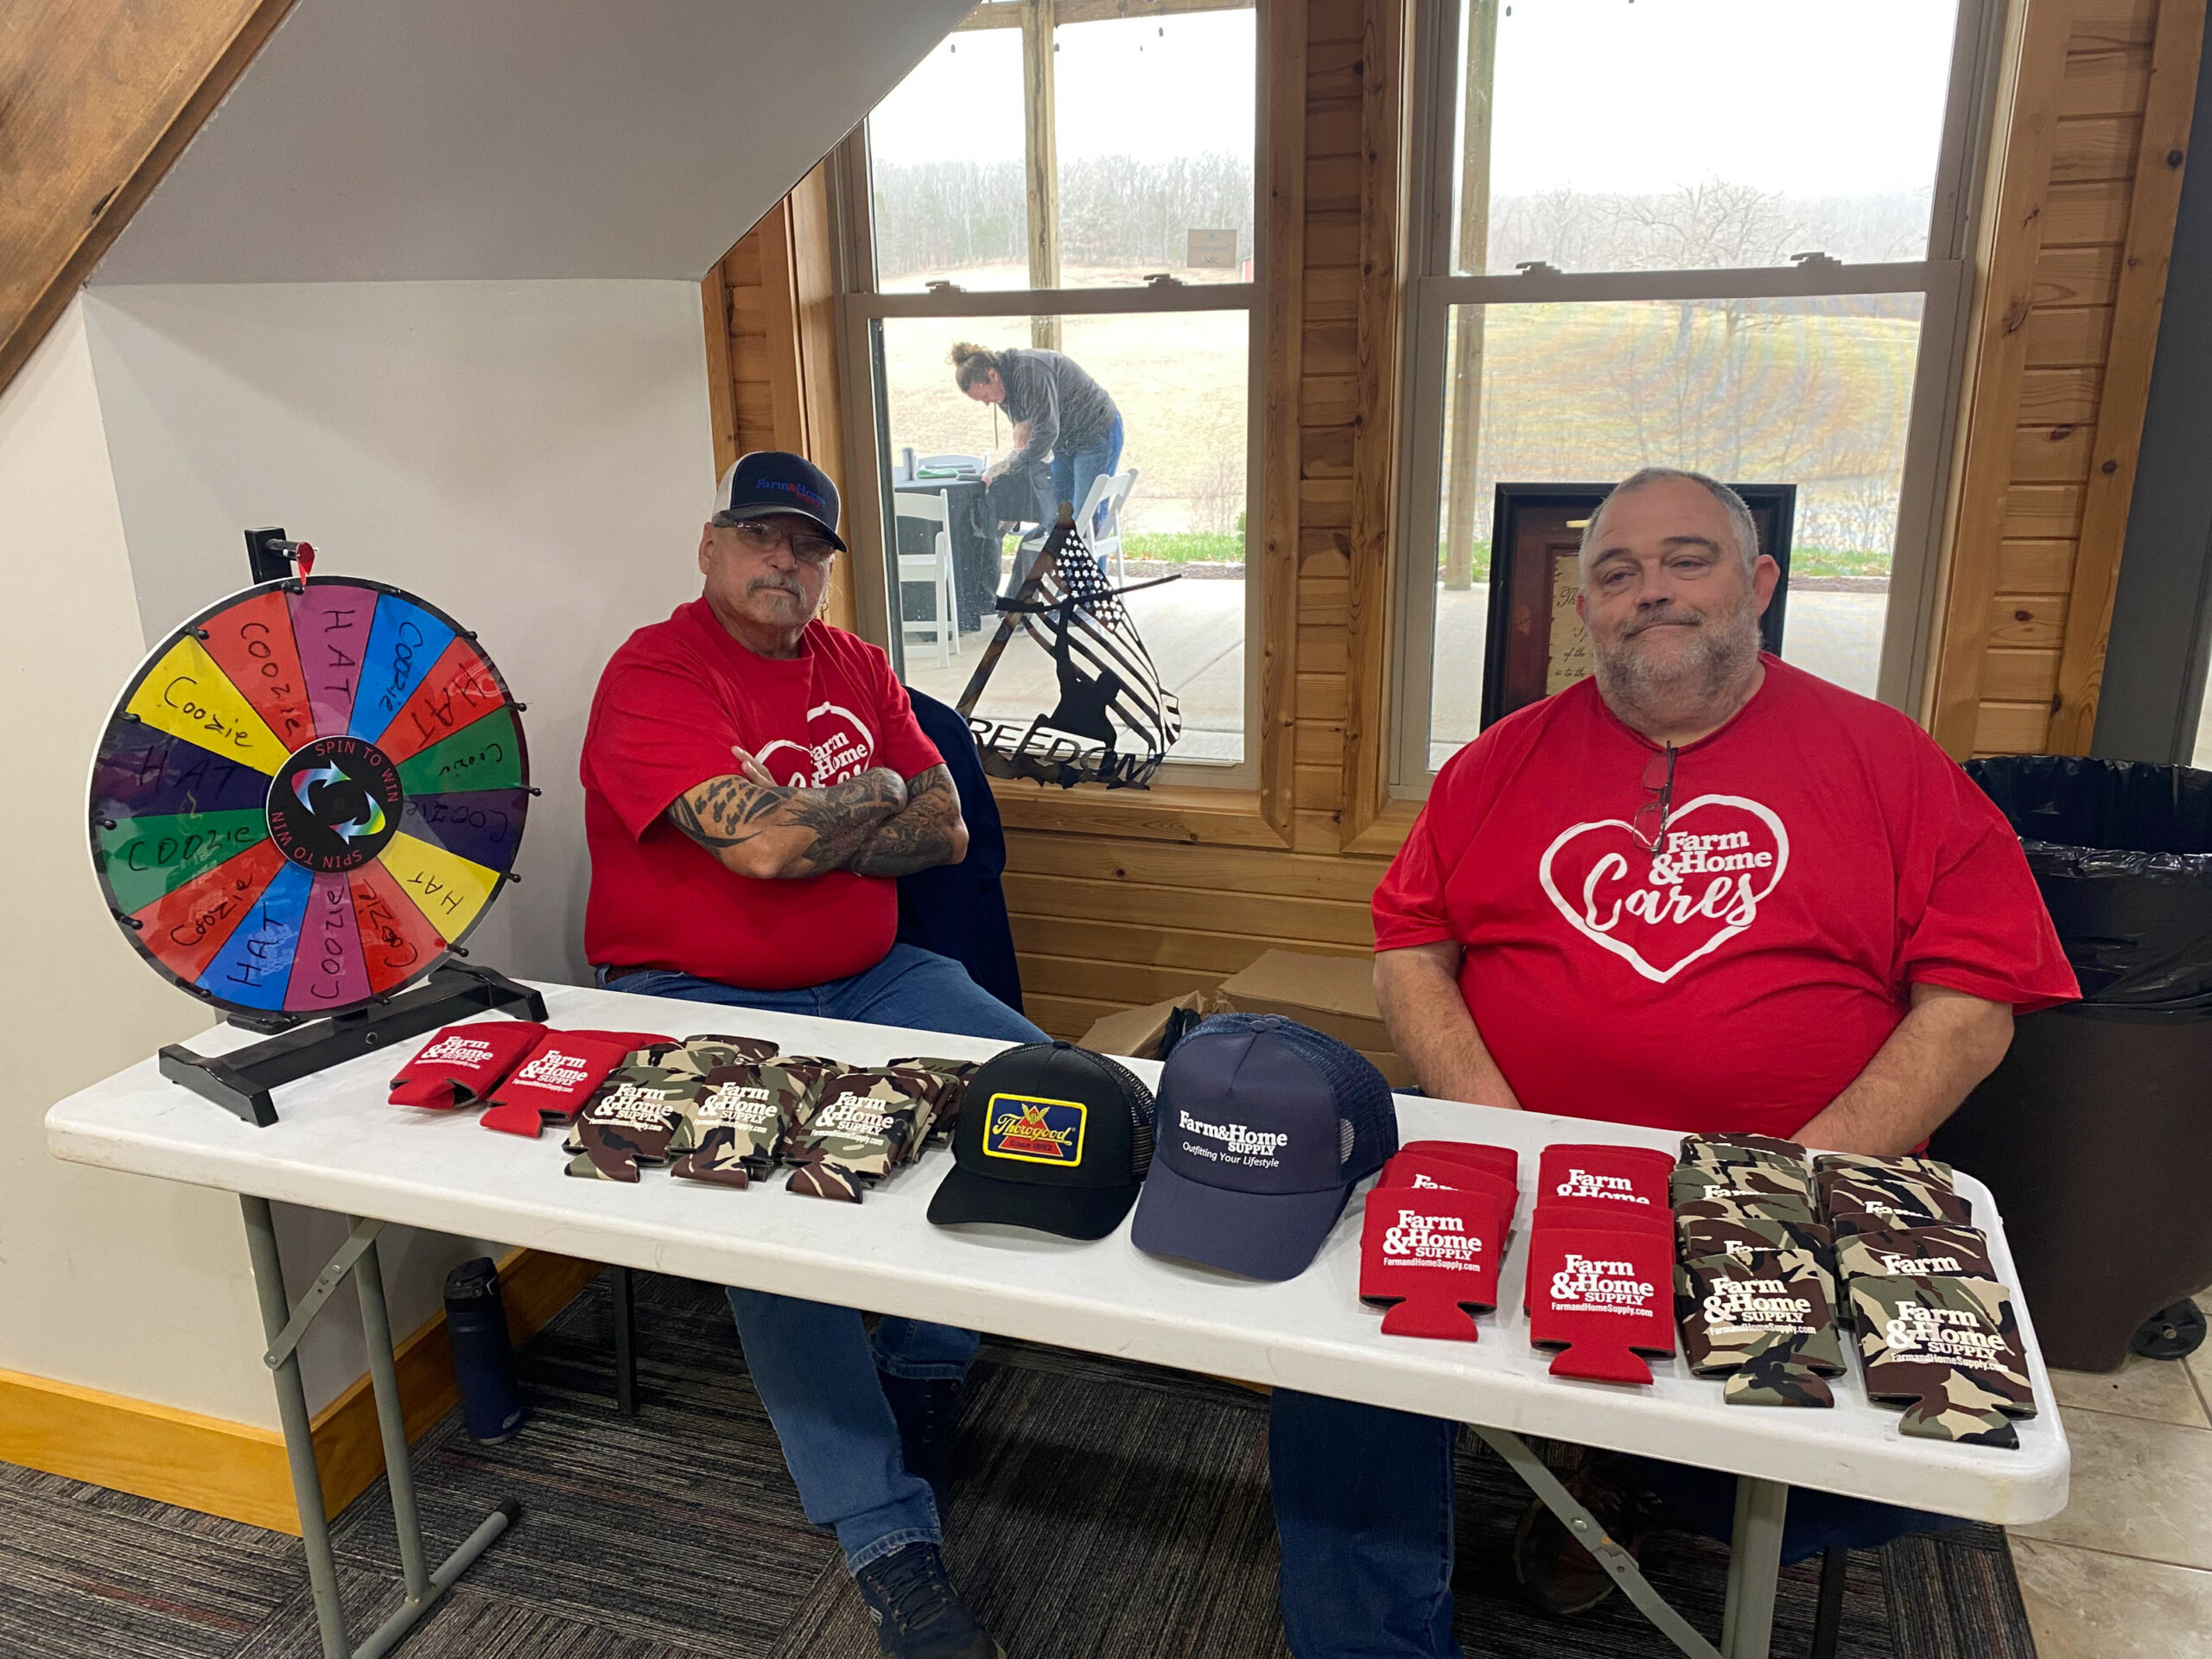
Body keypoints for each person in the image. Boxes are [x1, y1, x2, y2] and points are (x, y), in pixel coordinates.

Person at [1266, 467, 2079, 1658]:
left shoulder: (1891, 763)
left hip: (1790, 1194)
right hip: (1524, 1175)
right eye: (1616, 572)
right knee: (1334, 1359)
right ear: (1585, 609)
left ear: (1759, 583)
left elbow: (1973, 1009)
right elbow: (1409, 948)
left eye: (1686, 560)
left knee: (1880, 1444)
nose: (1650, 590)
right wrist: (1498, 1128)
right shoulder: (1497, 763)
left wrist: (1773, 1189)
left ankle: (1640, 1480)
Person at [581, 449, 1041, 1659]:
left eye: (808, 546)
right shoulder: (655, 672)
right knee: (767, 1209)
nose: (784, 561)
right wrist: (868, 798)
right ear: (710, 545)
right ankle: (886, 1537)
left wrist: (827, 819)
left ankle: (924, 1359)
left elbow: (945, 831)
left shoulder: (856, 665)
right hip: (690, 991)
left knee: (1051, 1099)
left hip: (875, 976)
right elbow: (762, 852)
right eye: (760, 536)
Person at [950, 340, 1123, 531]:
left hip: (1096, 431)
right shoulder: (1002, 391)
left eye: (984, 396)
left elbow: (1046, 432)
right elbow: (1024, 438)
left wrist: (1013, 467)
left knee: (1085, 517)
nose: (987, 403)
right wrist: (1012, 499)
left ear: (992, 375)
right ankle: (1062, 550)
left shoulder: (1029, 372)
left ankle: (1086, 550)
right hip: (1064, 441)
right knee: (1057, 512)